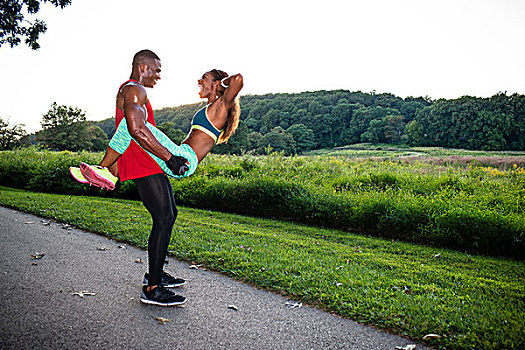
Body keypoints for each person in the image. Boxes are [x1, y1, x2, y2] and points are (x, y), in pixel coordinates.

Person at [73, 61, 243, 306]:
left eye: (204, 78)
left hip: (184, 158)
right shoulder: (212, 106)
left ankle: (107, 170)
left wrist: (222, 83)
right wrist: (215, 84)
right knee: (137, 130)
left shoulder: (222, 105)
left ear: (216, 83)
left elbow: (238, 79)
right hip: (181, 153)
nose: (199, 81)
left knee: (132, 125)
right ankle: (156, 273)